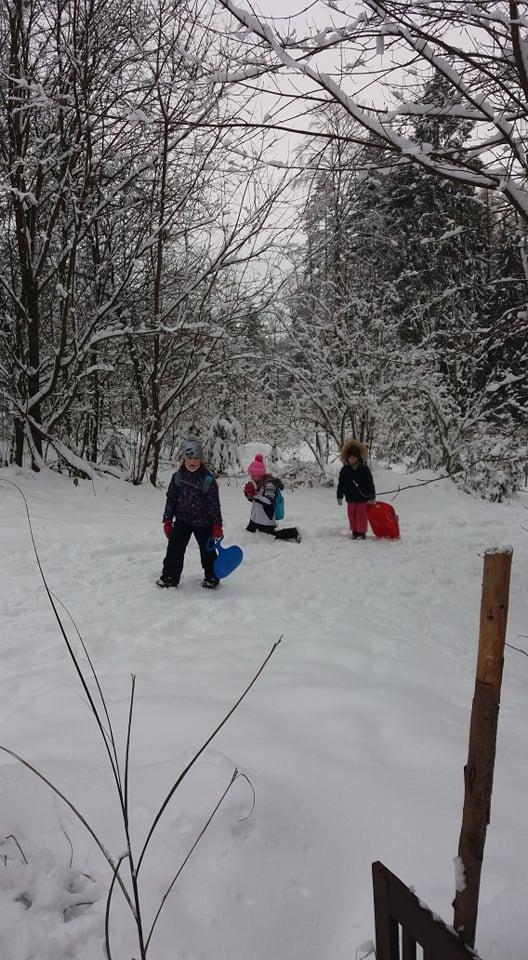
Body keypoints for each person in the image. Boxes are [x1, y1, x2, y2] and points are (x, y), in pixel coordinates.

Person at [157, 438, 223, 589]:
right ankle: (169, 576)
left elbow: (214, 504)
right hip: (183, 520)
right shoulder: (178, 477)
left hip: (204, 522)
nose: (192, 461)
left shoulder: (207, 479)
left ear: (201, 459)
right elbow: (171, 499)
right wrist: (167, 520)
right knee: (174, 548)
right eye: (189, 457)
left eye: (196, 458)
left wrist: (217, 524)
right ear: (184, 458)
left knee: (208, 551)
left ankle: (212, 576)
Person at [243, 453, 301, 542]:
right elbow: (255, 501)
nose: (252, 477)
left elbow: (268, 501)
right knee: (248, 534)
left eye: (254, 475)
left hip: (266, 520)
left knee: (271, 537)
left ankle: (294, 532)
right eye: (251, 475)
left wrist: (254, 495)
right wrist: (249, 495)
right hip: (254, 519)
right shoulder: (257, 483)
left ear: (261, 474)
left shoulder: (270, 485)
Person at [336, 439, 376, 539]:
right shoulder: (344, 470)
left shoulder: (364, 469)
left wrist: (372, 497)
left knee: (361, 516)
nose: (352, 459)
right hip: (350, 498)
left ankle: (361, 533)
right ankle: (354, 531)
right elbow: (341, 484)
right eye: (350, 457)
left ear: (358, 458)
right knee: (352, 515)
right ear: (347, 458)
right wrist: (339, 496)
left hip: (362, 498)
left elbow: (370, 484)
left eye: (354, 457)